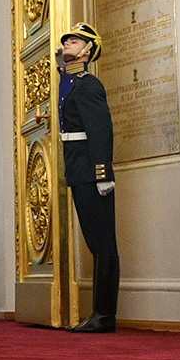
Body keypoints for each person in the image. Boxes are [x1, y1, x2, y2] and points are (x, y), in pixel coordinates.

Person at [58, 22, 119, 334]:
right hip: (77, 169)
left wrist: (102, 172)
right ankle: (99, 313)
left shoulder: (88, 84)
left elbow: (100, 130)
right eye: (66, 38)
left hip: (90, 171)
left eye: (75, 40)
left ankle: (104, 314)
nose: (68, 41)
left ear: (88, 49)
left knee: (102, 242)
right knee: (95, 241)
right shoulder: (70, 82)